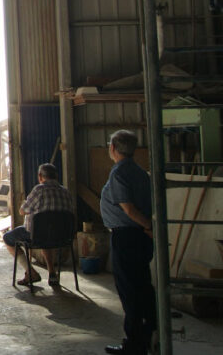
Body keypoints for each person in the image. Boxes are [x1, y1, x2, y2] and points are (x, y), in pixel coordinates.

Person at [101, 130, 155, 355]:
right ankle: (149, 333)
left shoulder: (119, 172)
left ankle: (134, 344)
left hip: (127, 237)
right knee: (141, 285)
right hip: (138, 236)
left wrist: (150, 228)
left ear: (113, 147)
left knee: (130, 290)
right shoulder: (140, 172)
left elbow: (129, 209)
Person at [2, 162, 74, 286]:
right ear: (56, 176)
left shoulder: (39, 190)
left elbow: (22, 211)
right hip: (63, 237)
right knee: (47, 231)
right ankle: (52, 273)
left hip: (38, 236)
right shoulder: (66, 192)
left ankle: (31, 272)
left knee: (8, 237)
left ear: (40, 176)